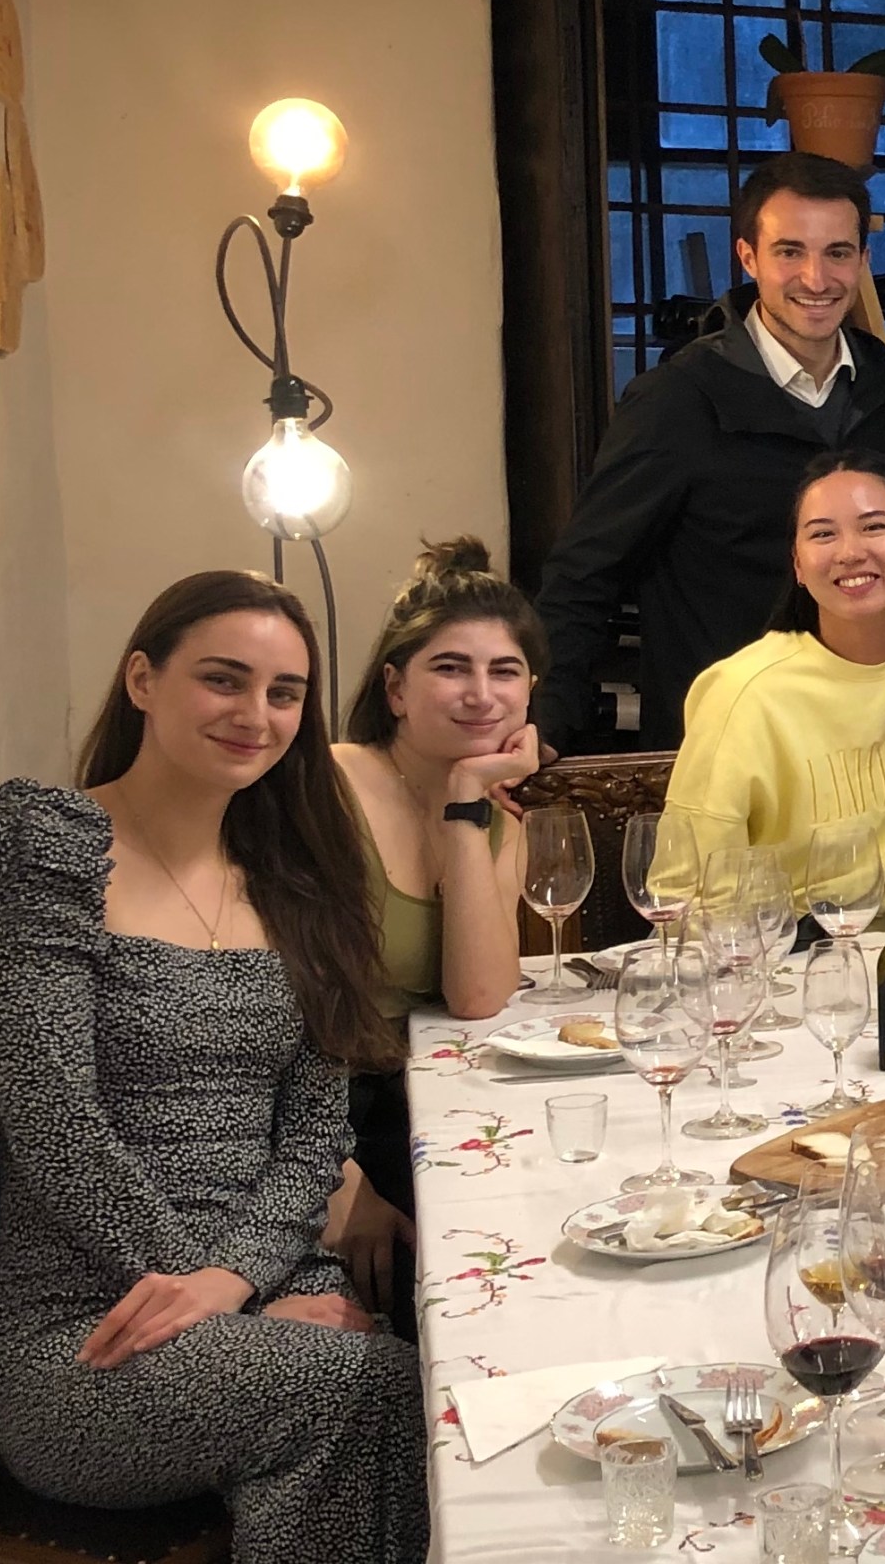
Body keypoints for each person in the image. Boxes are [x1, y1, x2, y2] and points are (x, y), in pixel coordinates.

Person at [0, 572, 427, 1561]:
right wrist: (229, 1296)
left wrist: (241, 1284)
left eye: (285, 692)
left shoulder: (296, 877)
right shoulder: (45, 841)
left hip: (254, 1286)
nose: (256, 715)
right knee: (372, 1388)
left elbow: (311, 1143)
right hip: (86, 1332)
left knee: (439, 1359)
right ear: (142, 679)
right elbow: (55, 1128)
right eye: (224, 680)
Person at [535, 151, 885, 752]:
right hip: (724, 744)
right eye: (790, 251)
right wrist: (545, 726)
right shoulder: (677, 399)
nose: (817, 280)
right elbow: (584, 576)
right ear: (747, 256)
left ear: (863, 260)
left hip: (861, 735)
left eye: (837, 253)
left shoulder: (876, 379)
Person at [325, 536, 541, 1316]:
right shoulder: (329, 786)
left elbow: (478, 996)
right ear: (395, 689)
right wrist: (340, 1189)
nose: (480, 694)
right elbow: (269, 1023)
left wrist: (465, 805)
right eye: (451, 668)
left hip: (421, 1100)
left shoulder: (492, 818)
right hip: (322, 1117)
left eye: (503, 671)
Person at [657, 449, 885, 909]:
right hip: (790, 960)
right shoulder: (743, 693)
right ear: (797, 565)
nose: (850, 552)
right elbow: (684, 895)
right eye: (823, 534)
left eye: (874, 526)